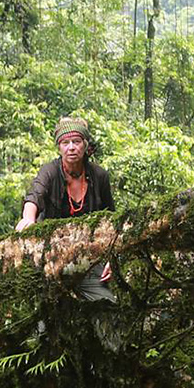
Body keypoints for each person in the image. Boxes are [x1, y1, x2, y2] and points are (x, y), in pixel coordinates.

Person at [16, 116, 116, 290]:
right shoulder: (50, 171)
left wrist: (112, 258)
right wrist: (28, 219)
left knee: (104, 304)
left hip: (89, 258)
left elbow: (112, 220)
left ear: (85, 145)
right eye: (65, 143)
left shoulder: (99, 176)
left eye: (76, 141)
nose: (71, 147)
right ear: (59, 147)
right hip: (50, 256)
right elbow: (35, 195)